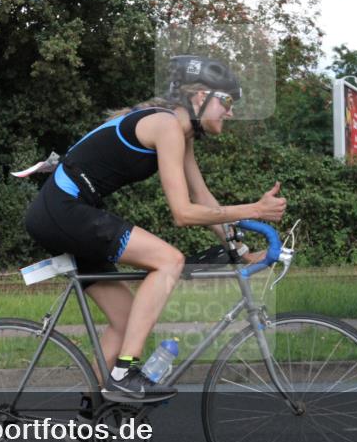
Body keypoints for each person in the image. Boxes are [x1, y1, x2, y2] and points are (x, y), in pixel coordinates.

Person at [24, 55, 286, 402]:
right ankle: (123, 373)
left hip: (65, 211)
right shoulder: (165, 127)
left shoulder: (179, 133)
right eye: (226, 102)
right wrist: (257, 209)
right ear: (198, 97)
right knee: (168, 260)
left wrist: (237, 248)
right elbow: (183, 213)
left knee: (127, 318)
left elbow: (202, 198)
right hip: (63, 209)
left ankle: (94, 417)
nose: (231, 112)